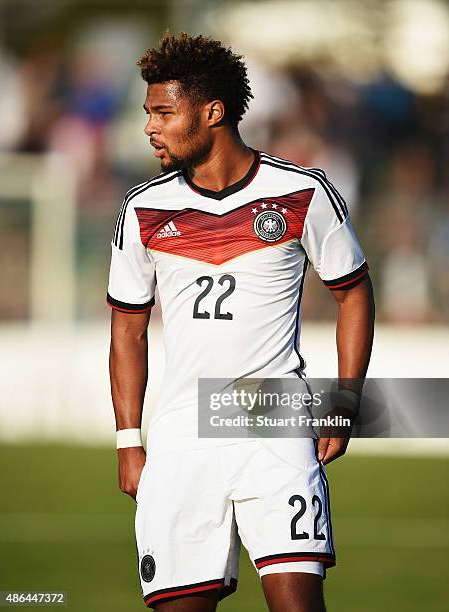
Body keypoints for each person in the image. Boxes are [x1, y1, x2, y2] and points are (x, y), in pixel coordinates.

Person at [107, 32, 375, 612]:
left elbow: (354, 293)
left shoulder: (302, 193)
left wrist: (346, 400)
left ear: (212, 112)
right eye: (147, 113)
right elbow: (126, 331)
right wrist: (129, 441)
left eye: (163, 112)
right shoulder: (143, 209)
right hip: (180, 440)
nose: (149, 127)